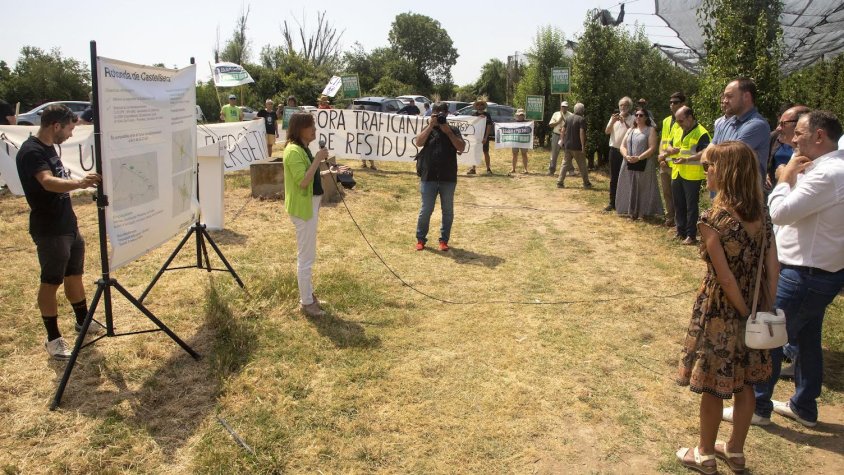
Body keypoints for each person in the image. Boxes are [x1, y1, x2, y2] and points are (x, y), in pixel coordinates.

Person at [735, 111, 843, 429]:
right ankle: (804, 406)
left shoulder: (828, 174)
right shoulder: (831, 168)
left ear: (820, 136)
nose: (794, 138)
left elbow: (780, 211)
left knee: (769, 339)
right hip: (821, 272)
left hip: (803, 274)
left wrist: (783, 179)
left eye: (801, 133)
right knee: (808, 341)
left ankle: (757, 407)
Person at [676, 141, 778, 475]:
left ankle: (704, 452)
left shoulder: (713, 219)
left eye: (711, 166)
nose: (706, 171)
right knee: (746, 383)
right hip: (755, 307)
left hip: (722, 311)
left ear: (728, 171)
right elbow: (773, 268)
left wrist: (742, 311)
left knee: (713, 385)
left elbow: (726, 279)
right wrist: (763, 307)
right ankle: (735, 451)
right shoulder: (762, 216)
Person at [15, 104, 103, 359]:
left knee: (74, 274)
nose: (71, 134)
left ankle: (82, 321)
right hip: (50, 228)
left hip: (67, 224)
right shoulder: (32, 151)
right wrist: (79, 183)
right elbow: (47, 182)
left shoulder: (48, 147)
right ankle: (53, 338)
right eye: (70, 128)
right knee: (51, 281)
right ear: (56, 126)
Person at [283, 112, 332, 318]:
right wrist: (319, 160)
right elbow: (302, 181)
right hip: (303, 209)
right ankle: (306, 302)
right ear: (299, 129)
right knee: (306, 257)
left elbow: (309, 177)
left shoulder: (303, 149)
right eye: (310, 126)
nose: (314, 129)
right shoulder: (294, 151)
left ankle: (308, 295)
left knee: (308, 255)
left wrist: (326, 172)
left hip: (308, 206)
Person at [414, 102, 465, 251]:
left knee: (447, 211)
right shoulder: (428, 128)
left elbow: (461, 147)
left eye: (442, 113)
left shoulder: (453, 130)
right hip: (428, 176)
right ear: (432, 114)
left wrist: (448, 132)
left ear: (447, 114)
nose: (439, 115)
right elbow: (418, 142)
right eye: (436, 112)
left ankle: (444, 240)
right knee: (426, 210)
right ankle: (420, 239)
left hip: (448, 177)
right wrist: (430, 126)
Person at [712, 78, 771, 181]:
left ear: (746, 97)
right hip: (721, 191)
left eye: (729, 96)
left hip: (743, 195)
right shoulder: (725, 123)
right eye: (724, 96)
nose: (725, 101)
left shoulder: (757, 125)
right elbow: (708, 154)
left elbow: (729, 158)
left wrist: (713, 156)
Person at [669, 107, 710, 245]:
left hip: (692, 176)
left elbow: (705, 152)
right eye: (677, 121)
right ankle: (680, 231)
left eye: (681, 120)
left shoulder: (701, 132)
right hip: (677, 172)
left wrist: (686, 159)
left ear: (690, 117)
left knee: (691, 206)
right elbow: (669, 144)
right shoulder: (678, 128)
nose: (678, 123)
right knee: (678, 204)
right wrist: (669, 152)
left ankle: (691, 235)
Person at [615, 107, 661, 219]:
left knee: (643, 187)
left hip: (644, 163)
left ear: (646, 118)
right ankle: (630, 210)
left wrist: (639, 157)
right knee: (629, 185)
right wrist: (626, 156)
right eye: (636, 115)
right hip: (629, 162)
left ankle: (642, 212)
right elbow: (622, 146)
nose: (638, 117)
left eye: (641, 115)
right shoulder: (630, 130)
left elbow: (652, 148)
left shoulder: (650, 130)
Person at [657, 92, 686, 226]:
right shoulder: (666, 121)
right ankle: (670, 219)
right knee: (667, 193)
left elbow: (682, 145)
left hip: (677, 163)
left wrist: (666, 155)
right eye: (671, 102)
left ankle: (679, 222)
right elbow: (663, 140)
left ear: (683, 104)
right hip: (665, 162)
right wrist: (661, 157)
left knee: (678, 195)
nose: (672, 105)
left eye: (675, 102)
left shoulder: (685, 120)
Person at [766, 105, 809, 190]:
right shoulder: (796, 152)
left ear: (799, 124)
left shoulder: (812, 155)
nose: (778, 128)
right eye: (779, 124)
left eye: (783, 124)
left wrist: (784, 174)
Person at [604, 97, 634, 211]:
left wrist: (624, 122)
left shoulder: (633, 118)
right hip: (614, 150)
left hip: (626, 152)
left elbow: (632, 133)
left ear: (629, 107)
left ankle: (625, 203)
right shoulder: (614, 118)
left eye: (626, 105)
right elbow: (607, 131)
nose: (623, 107)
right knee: (614, 177)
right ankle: (612, 202)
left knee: (626, 177)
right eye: (621, 105)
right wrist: (612, 121)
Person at [556, 103, 592, 189]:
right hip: (577, 147)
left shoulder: (568, 118)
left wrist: (561, 140)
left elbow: (563, 130)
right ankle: (586, 183)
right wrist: (583, 145)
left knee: (564, 164)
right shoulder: (581, 119)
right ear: (582, 110)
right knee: (582, 165)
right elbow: (581, 133)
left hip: (567, 146)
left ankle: (559, 182)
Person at [466, 97, 493, 175]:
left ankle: (488, 169)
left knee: (486, 152)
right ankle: (473, 169)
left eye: (481, 104)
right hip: (475, 138)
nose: (480, 106)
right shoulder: (473, 115)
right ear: (476, 106)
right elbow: (471, 126)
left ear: (483, 106)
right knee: (474, 152)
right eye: (478, 104)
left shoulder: (487, 115)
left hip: (484, 137)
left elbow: (489, 126)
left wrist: (485, 137)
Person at [548, 101, 572, 176]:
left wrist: (564, 122)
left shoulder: (571, 115)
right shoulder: (556, 114)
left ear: (567, 107)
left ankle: (571, 169)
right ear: (560, 107)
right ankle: (552, 169)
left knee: (568, 153)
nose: (564, 108)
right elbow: (551, 125)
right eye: (563, 106)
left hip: (566, 136)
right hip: (556, 135)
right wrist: (559, 121)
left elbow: (572, 126)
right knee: (554, 153)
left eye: (565, 107)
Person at [510, 109, 529, 174]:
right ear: (517, 115)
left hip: (524, 141)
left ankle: (526, 169)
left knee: (524, 154)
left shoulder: (527, 123)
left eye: (522, 115)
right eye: (519, 115)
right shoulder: (513, 122)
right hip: (515, 141)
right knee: (514, 154)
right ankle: (513, 169)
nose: (521, 116)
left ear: (524, 115)